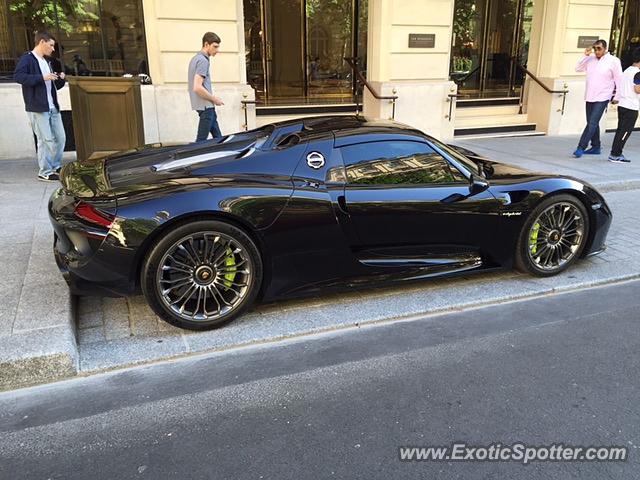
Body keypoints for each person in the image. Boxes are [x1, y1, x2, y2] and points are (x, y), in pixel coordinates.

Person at [14, 31, 67, 182]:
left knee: (60, 138)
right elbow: (18, 77)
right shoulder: (27, 59)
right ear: (42, 42)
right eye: (51, 45)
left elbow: (52, 86)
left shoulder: (46, 61)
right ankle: (45, 171)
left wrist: (60, 79)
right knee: (45, 140)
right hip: (37, 107)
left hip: (52, 106)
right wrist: (42, 77)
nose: (53, 49)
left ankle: (55, 166)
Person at [573, 39, 622, 158]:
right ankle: (596, 146)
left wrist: (617, 96)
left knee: (592, 122)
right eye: (595, 48)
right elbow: (578, 68)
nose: (596, 51)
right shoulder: (590, 59)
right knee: (592, 123)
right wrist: (585, 55)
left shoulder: (613, 61)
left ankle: (581, 147)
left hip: (603, 96)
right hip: (590, 95)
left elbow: (619, 79)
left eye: (599, 49)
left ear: (605, 49)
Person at [188, 32, 224, 142]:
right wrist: (215, 99)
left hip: (206, 107)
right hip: (206, 107)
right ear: (206, 44)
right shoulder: (203, 61)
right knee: (200, 143)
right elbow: (197, 87)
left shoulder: (195, 58)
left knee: (218, 139)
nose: (217, 50)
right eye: (215, 47)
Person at [608, 47, 640, 163]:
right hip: (631, 106)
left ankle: (615, 153)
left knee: (620, 130)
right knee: (625, 131)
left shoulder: (627, 70)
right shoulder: (637, 73)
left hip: (623, 104)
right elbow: (637, 89)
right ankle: (615, 154)